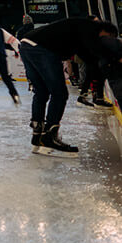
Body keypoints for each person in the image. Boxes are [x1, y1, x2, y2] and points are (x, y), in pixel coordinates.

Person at [20, 18, 122, 156]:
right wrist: (116, 57)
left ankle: (37, 134)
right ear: (106, 32)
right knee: (60, 93)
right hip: (42, 48)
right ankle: (50, 135)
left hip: (26, 45)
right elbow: (96, 49)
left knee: (41, 92)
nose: (106, 42)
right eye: (109, 39)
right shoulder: (89, 26)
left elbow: (89, 58)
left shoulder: (79, 33)